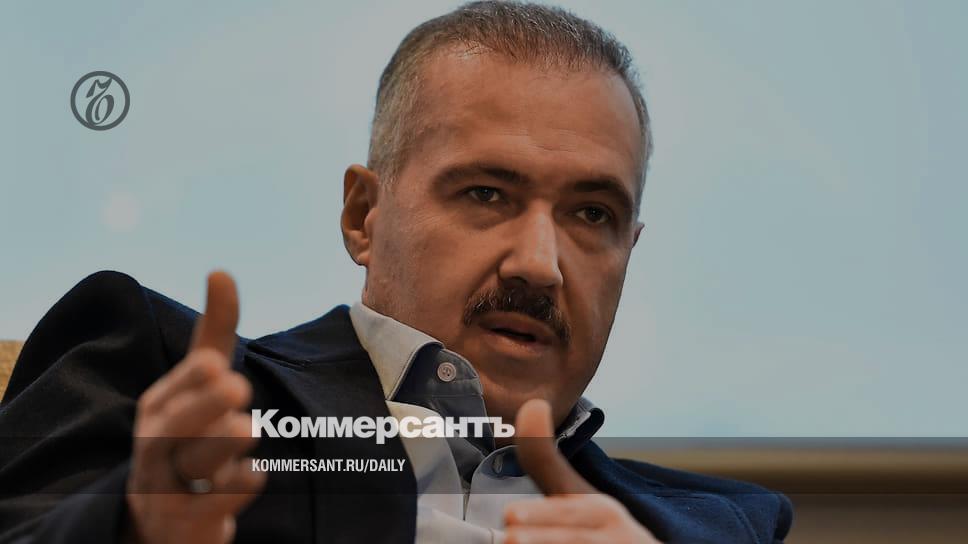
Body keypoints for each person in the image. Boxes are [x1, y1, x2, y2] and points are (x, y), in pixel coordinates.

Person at [0, 2, 792, 543]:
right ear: (363, 216)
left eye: (591, 214)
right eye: (487, 194)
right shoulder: (167, 383)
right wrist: (136, 525)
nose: (540, 265)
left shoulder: (723, 526)